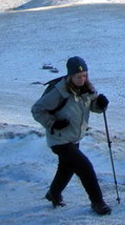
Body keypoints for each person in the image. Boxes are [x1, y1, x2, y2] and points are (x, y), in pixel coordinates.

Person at [31, 56, 112, 216]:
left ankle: (53, 193)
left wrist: (101, 104)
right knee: (84, 166)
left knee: (66, 168)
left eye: (84, 75)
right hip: (59, 139)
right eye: (78, 76)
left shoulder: (88, 88)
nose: (82, 79)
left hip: (74, 137)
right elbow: (37, 110)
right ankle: (98, 202)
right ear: (70, 76)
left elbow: (93, 106)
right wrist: (53, 123)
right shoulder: (59, 91)